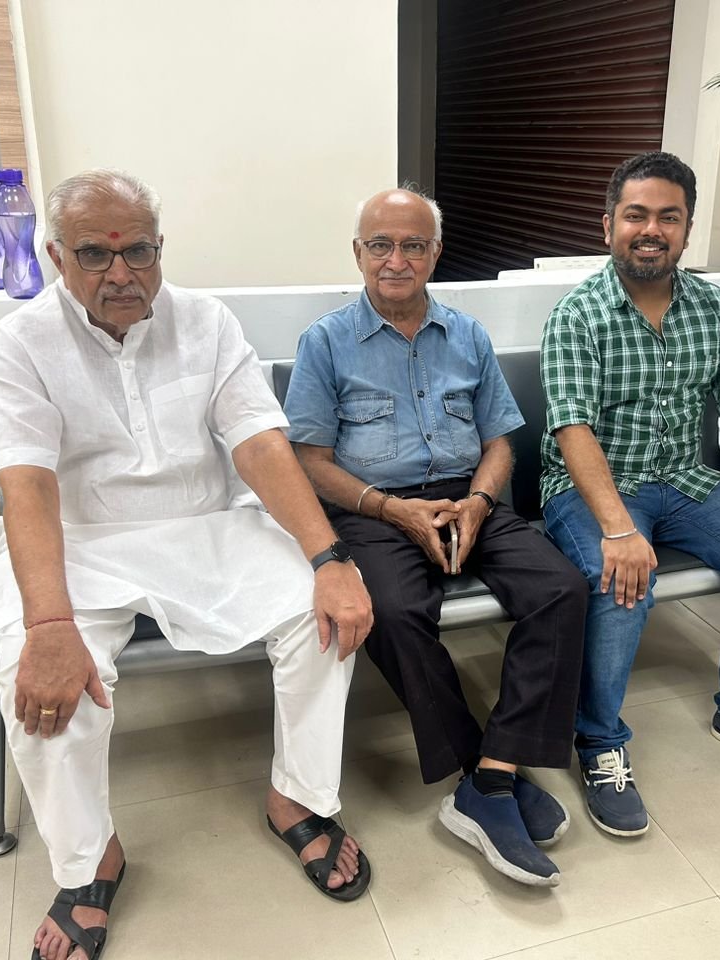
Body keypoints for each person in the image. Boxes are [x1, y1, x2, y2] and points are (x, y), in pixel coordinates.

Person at [0, 169, 375, 960]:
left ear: (160, 248)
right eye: (95, 254)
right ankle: (89, 862)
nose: (121, 273)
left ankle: (298, 799)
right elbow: (27, 483)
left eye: (139, 252)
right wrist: (48, 622)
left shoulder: (206, 320)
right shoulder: (23, 340)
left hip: (203, 525)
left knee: (322, 612)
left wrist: (329, 558)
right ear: (56, 256)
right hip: (78, 541)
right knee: (37, 671)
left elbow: (258, 442)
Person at [283, 188, 587, 887]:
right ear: (357, 253)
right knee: (392, 613)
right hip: (373, 508)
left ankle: (494, 771)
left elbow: (500, 441)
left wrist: (480, 501)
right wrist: (394, 511)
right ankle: (482, 771)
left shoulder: (468, 334)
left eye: (413, 245)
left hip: (467, 497)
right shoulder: (325, 342)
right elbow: (310, 461)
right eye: (380, 245)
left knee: (563, 590)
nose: (396, 260)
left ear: (436, 253)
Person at [541, 151, 720, 838]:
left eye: (669, 217)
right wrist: (618, 529)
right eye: (636, 215)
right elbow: (572, 429)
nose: (651, 230)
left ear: (687, 230)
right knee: (623, 580)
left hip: (684, 480)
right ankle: (599, 741)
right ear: (608, 225)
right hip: (593, 488)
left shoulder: (714, 307)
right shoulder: (577, 315)